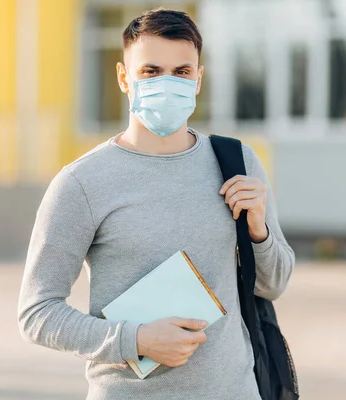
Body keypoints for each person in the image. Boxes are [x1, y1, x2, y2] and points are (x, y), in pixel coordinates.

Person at [17, 8, 295, 400]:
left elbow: (274, 284)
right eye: (151, 71)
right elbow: (37, 313)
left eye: (182, 72)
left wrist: (259, 231)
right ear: (123, 78)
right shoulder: (81, 183)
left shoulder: (237, 163)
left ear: (199, 80)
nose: (168, 83)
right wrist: (136, 339)